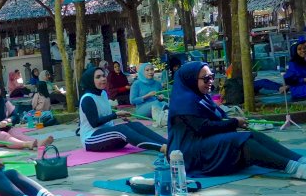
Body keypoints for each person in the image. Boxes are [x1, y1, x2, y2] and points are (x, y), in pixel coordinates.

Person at [169, 62, 306, 179]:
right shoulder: (184, 101)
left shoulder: (200, 97)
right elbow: (203, 127)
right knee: (241, 142)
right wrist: (234, 123)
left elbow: (216, 119)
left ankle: (299, 159)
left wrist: (234, 122)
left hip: (204, 142)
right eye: (206, 79)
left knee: (253, 136)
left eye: (212, 77)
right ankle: (294, 169)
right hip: (190, 153)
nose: (211, 81)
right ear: (191, 80)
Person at [78, 67, 167, 153]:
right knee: (121, 129)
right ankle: (162, 148)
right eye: (98, 77)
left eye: (103, 76)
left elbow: (104, 113)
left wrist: (119, 114)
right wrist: (116, 115)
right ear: (90, 80)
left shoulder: (103, 93)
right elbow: (94, 123)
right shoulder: (88, 99)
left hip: (108, 134)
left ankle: (168, 143)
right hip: (91, 139)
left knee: (136, 125)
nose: (103, 79)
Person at [0, 80, 51, 150]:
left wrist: (7, 121)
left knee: (18, 134)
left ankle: (37, 142)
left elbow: (15, 117)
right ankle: (27, 144)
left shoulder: (4, 102)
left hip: (6, 128)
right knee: (5, 136)